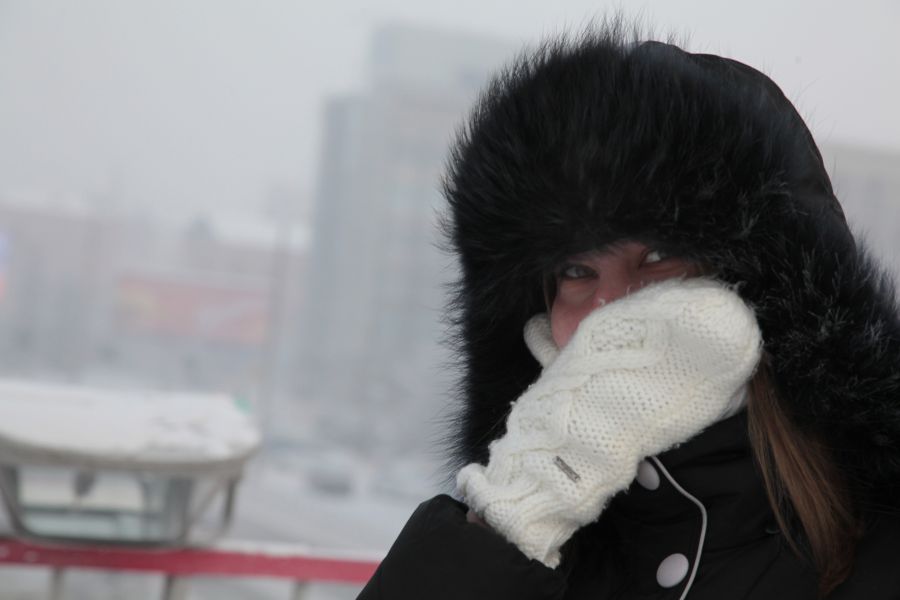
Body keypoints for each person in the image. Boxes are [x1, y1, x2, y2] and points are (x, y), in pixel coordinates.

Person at [357, 18, 900, 600]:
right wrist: (517, 511)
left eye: (657, 258)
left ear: (765, 287)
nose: (609, 311)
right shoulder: (522, 549)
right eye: (576, 272)